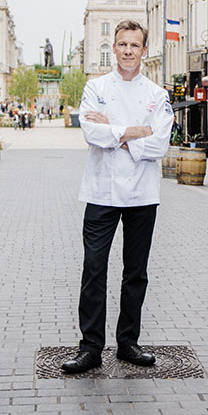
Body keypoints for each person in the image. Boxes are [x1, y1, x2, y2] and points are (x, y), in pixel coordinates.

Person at [61, 19, 173, 374]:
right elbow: (92, 133)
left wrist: (115, 131)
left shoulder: (157, 95)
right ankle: (90, 347)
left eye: (134, 45)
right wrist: (132, 131)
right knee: (93, 269)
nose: (128, 51)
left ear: (144, 50)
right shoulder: (96, 87)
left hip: (143, 192)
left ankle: (128, 343)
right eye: (122, 45)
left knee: (135, 272)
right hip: (101, 190)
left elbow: (159, 143)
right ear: (114, 48)